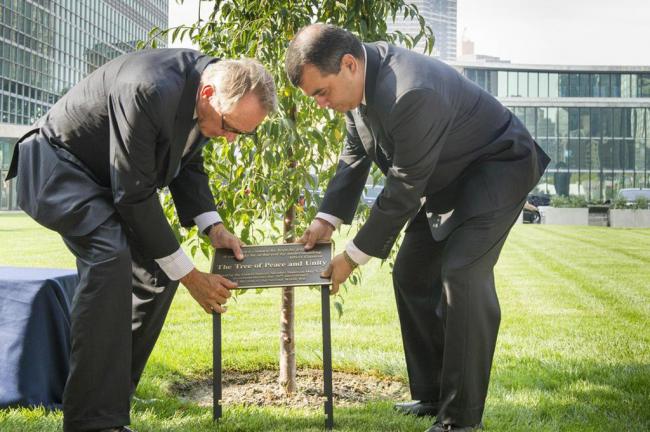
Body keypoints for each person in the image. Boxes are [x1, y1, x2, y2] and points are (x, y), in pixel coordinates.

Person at [285, 24, 549, 432]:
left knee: (462, 275)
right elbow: (354, 156)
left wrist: (351, 258)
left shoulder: (410, 91)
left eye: (321, 92)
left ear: (349, 65)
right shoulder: (359, 91)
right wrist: (326, 220)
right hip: (450, 179)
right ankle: (431, 394)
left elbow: (404, 187)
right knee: (411, 272)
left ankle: (459, 421)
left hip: (498, 167)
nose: (320, 103)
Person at [5, 48, 276, 432]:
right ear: (208, 94)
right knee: (110, 256)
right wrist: (191, 277)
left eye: (241, 134)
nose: (230, 139)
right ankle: (90, 422)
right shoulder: (149, 88)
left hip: (102, 183)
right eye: (230, 126)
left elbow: (186, 161)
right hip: (55, 167)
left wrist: (213, 227)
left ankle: (107, 399)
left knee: (156, 275)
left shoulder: (204, 94)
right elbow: (133, 196)